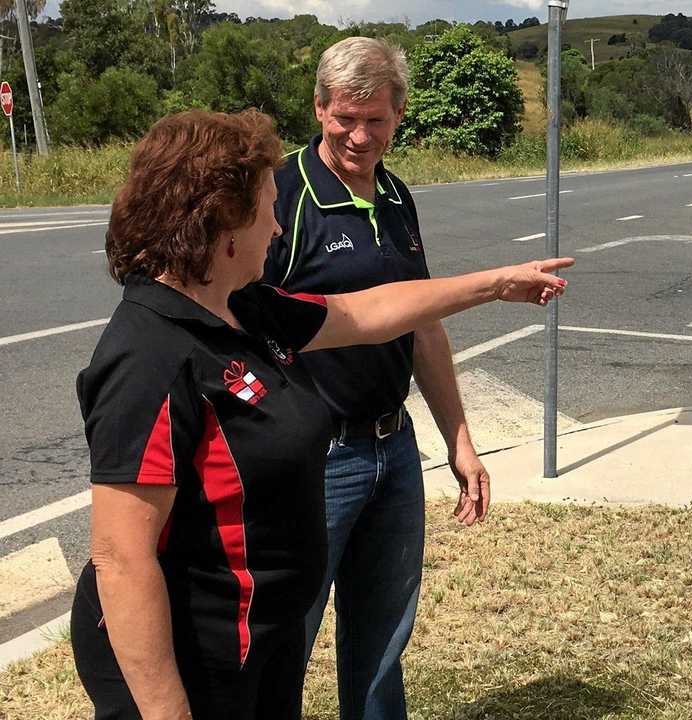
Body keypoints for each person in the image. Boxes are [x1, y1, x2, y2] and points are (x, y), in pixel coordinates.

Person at [70, 109, 571, 720]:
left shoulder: (244, 309)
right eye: (266, 207)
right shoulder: (148, 355)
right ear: (222, 224)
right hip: (197, 669)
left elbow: (368, 312)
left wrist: (494, 284)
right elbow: (121, 560)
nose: (278, 226)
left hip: (262, 649)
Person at [258, 37, 492, 719]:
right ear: (319, 107)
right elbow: (242, 329)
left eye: (377, 120)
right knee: (282, 645)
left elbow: (422, 322)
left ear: (399, 114)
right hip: (313, 460)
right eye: (345, 118)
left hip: (393, 450)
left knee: (384, 643)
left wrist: (459, 440)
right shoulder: (281, 195)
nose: (360, 136)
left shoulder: (395, 194)